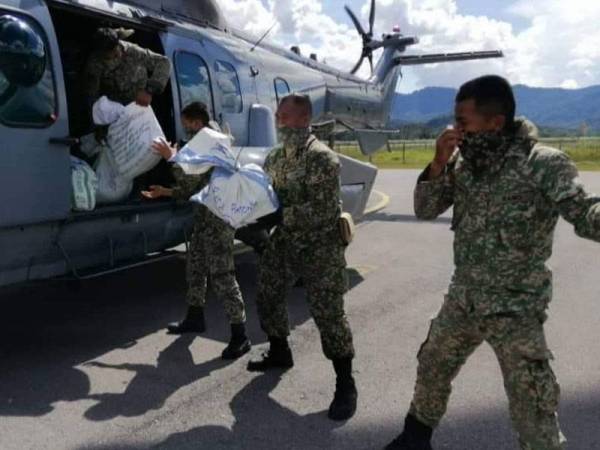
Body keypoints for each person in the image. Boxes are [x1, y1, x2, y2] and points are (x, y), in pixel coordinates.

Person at [385, 75, 600, 450]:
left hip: (514, 305)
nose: (455, 130)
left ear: (494, 122)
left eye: (463, 121)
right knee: (433, 364)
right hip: (464, 297)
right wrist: (437, 163)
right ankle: (415, 438)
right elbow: (425, 208)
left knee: (532, 400)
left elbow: (585, 213)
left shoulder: (542, 164)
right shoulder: (466, 165)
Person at [246, 93, 357, 421]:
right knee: (267, 293)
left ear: (305, 119)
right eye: (278, 115)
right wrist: (249, 213)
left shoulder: (322, 158)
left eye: (285, 116)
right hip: (286, 242)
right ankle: (279, 350)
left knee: (328, 313)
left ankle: (345, 383)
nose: (279, 120)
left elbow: (323, 212)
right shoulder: (276, 157)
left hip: (320, 245)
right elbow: (268, 196)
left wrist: (277, 218)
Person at [141, 102, 251, 360]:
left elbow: (188, 178)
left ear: (196, 121)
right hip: (205, 217)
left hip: (218, 219)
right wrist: (165, 192)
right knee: (196, 267)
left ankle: (240, 335)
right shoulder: (209, 141)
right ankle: (194, 317)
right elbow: (195, 186)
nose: (185, 128)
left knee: (222, 275)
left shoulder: (209, 142)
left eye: (187, 123)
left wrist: (171, 157)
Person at [84, 27, 171, 107]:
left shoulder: (133, 51)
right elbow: (92, 96)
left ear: (117, 44)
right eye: (108, 57)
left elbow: (163, 62)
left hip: (139, 106)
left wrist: (149, 91)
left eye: (115, 53)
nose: (115, 56)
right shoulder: (94, 63)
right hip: (114, 112)